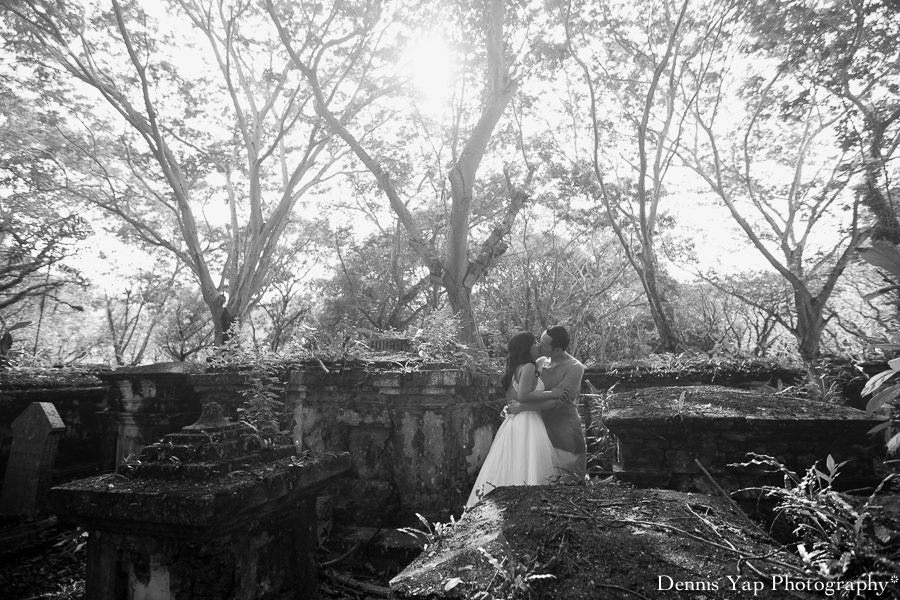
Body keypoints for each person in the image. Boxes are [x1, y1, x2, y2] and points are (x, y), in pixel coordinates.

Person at [465, 331, 567, 508]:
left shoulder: (517, 367)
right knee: (528, 461)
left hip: (515, 421)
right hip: (527, 420)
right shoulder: (527, 366)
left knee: (513, 461)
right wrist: (552, 394)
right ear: (526, 348)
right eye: (534, 343)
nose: (538, 346)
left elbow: (513, 397)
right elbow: (523, 395)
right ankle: (528, 504)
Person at [508, 325, 587, 484]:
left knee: (567, 480)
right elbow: (525, 390)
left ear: (557, 350)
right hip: (538, 429)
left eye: (544, 344)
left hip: (564, 429)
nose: (538, 345)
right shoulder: (540, 361)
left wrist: (523, 407)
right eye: (539, 340)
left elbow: (558, 401)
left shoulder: (575, 367)